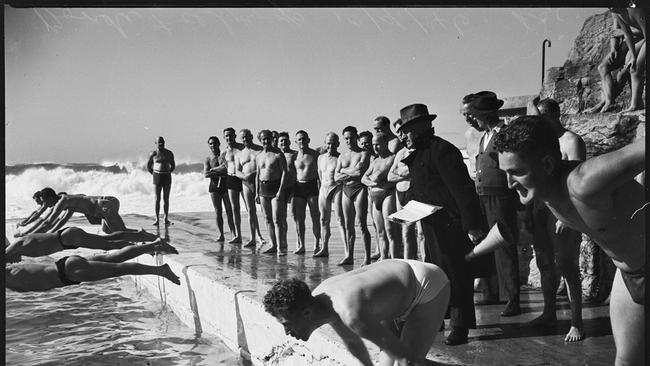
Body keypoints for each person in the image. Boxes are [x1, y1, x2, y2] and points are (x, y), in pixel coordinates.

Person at [481, 116, 644, 365]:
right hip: (629, 274)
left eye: (516, 172)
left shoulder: (585, 181)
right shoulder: (544, 192)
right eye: (505, 173)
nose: (509, 183)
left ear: (547, 164)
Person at [397, 103, 485, 345]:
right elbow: (417, 189)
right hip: (430, 224)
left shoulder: (442, 150)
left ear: (421, 127)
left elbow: (463, 190)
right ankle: (440, 318)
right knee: (438, 272)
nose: (403, 135)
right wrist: (405, 209)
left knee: (458, 274)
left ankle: (460, 326)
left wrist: (471, 225)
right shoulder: (416, 155)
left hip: (451, 224)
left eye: (406, 130)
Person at [263, 259, 450, 366]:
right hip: (392, 287)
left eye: (286, 324)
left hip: (425, 285)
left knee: (409, 364)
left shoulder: (350, 312)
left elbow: (405, 358)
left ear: (305, 313)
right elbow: (353, 343)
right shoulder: (320, 302)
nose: (287, 332)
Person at [527, 97, 588, 342]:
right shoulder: (543, 143)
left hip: (564, 210)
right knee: (544, 262)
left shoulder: (570, 140)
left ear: (552, 116)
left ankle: (577, 322)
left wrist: (567, 216)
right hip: (542, 208)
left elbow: (579, 179)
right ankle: (549, 312)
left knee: (567, 266)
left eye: (542, 119)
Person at [464, 91, 521, 317]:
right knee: (486, 245)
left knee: (504, 246)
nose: (473, 120)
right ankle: (492, 291)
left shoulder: (503, 134)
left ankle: (512, 298)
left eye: (476, 115)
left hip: (500, 196)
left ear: (486, 115)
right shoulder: (484, 136)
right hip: (483, 195)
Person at [6, 238, 181, 292]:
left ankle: (160, 270)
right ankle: (153, 245)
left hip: (70, 272)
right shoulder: (8, 271)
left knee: (122, 269)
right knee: (116, 258)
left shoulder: (7, 273)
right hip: (66, 265)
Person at [587, 8, 645, 113]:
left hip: (639, 40)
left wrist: (621, 32)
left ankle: (610, 103)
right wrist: (614, 47)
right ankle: (608, 101)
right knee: (603, 67)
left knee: (624, 73)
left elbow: (640, 30)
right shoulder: (616, 11)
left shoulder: (634, 8)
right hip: (626, 43)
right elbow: (614, 32)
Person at [17, 188, 137, 236]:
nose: (46, 205)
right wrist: (51, 234)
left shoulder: (63, 201)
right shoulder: (68, 204)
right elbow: (62, 221)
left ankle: (149, 240)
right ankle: (142, 238)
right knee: (108, 230)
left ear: (51, 198)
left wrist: (28, 235)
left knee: (119, 232)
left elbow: (48, 222)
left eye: (46, 202)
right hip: (103, 208)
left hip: (105, 205)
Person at [335, 126, 372, 266]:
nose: (349, 140)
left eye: (351, 137)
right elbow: (336, 176)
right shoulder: (342, 156)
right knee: (348, 225)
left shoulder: (364, 153)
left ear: (356, 137)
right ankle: (349, 256)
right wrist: (350, 170)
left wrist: (344, 170)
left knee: (361, 224)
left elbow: (359, 174)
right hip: (346, 189)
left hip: (359, 188)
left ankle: (367, 257)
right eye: (346, 138)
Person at [6, 226, 168, 258]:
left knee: (107, 242)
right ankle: (143, 241)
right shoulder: (19, 245)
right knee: (109, 242)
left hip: (67, 238)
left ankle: (144, 240)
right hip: (67, 238)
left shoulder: (16, 246)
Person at [361, 134, 399, 260]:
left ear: (385, 143)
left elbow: (382, 176)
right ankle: (383, 258)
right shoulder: (375, 161)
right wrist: (373, 183)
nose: (375, 147)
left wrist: (374, 180)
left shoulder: (392, 158)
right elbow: (363, 178)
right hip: (374, 196)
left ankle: (394, 260)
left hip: (388, 195)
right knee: (380, 231)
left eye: (377, 144)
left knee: (390, 230)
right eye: (373, 144)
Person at [387, 119, 418, 260]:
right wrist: (405, 173)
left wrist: (402, 172)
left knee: (422, 233)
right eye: (398, 132)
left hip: (417, 194)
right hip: (401, 194)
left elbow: (418, 171)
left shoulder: (419, 150)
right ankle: (407, 262)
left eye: (403, 131)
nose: (401, 135)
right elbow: (390, 176)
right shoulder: (400, 153)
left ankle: (424, 262)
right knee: (406, 232)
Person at [255, 129, 288, 256]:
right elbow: (258, 174)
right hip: (263, 189)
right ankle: (273, 245)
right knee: (267, 218)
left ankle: (280, 247)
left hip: (275, 188)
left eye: (267, 138)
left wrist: (280, 190)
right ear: (260, 140)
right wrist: (257, 193)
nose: (265, 141)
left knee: (277, 219)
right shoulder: (258, 156)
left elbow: (285, 172)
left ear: (271, 139)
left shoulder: (278, 154)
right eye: (263, 139)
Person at [316, 132, 346, 258]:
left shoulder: (341, 157)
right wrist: (321, 189)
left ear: (338, 144)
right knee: (323, 219)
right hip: (324, 188)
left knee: (340, 219)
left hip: (337, 187)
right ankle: (324, 248)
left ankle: (347, 251)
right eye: (328, 143)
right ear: (325, 143)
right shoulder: (320, 158)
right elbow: (320, 175)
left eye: (333, 143)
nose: (330, 146)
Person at [292, 130, 322, 255]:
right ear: (296, 142)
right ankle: (302, 244)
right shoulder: (294, 156)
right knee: (300, 218)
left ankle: (316, 243)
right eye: (299, 139)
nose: (302, 141)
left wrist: (321, 190)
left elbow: (320, 174)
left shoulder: (315, 154)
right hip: (299, 186)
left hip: (312, 186)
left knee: (315, 217)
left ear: (308, 140)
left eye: (304, 139)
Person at [236, 129, 266, 247]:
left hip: (259, 181)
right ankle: (253, 238)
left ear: (251, 136)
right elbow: (237, 171)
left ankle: (267, 237)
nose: (245, 139)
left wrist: (252, 174)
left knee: (265, 211)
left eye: (247, 137)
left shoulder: (259, 150)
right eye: (243, 138)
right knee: (250, 211)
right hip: (246, 183)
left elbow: (264, 166)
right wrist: (244, 176)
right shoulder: (241, 153)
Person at [204, 136, 236, 242]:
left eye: (214, 143)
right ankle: (221, 234)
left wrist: (214, 170)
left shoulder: (224, 155)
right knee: (218, 211)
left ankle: (233, 234)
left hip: (226, 185)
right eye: (211, 144)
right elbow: (206, 174)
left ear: (219, 144)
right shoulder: (208, 158)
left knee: (229, 211)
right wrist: (219, 170)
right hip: (214, 186)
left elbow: (228, 168)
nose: (213, 145)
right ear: (209, 145)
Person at [147, 136, 175, 226]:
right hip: (157, 177)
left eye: (162, 142)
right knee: (157, 199)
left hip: (167, 176)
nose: (160, 143)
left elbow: (173, 165)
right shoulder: (153, 154)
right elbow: (148, 166)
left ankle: (166, 218)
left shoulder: (169, 153)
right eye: (159, 142)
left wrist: (167, 172)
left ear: (164, 142)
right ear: (156, 143)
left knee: (166, 198)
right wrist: (154, 174)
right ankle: (157, 219)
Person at [223, 127, 244, 244]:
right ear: (224, 137)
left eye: (230, 135)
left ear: (234, 136)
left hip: (242, 177)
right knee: (235, 208)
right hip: (231, 178)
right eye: (226, 136)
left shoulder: (241, 148)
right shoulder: (225, 152)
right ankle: (238, 235)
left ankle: (258, 236)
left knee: (249, 208)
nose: (228, 138)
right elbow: (225, 165)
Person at [278, 131, 297, 253]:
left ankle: (298, 241)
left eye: (285, 140)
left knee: (295, 216)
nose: (284, 142)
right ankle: (283, 241)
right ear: (278, 143)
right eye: (281, 141)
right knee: (281, 217)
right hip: (281, 189)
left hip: (294, 187)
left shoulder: (295, 154)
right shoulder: (276, 155)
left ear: (289, 141)